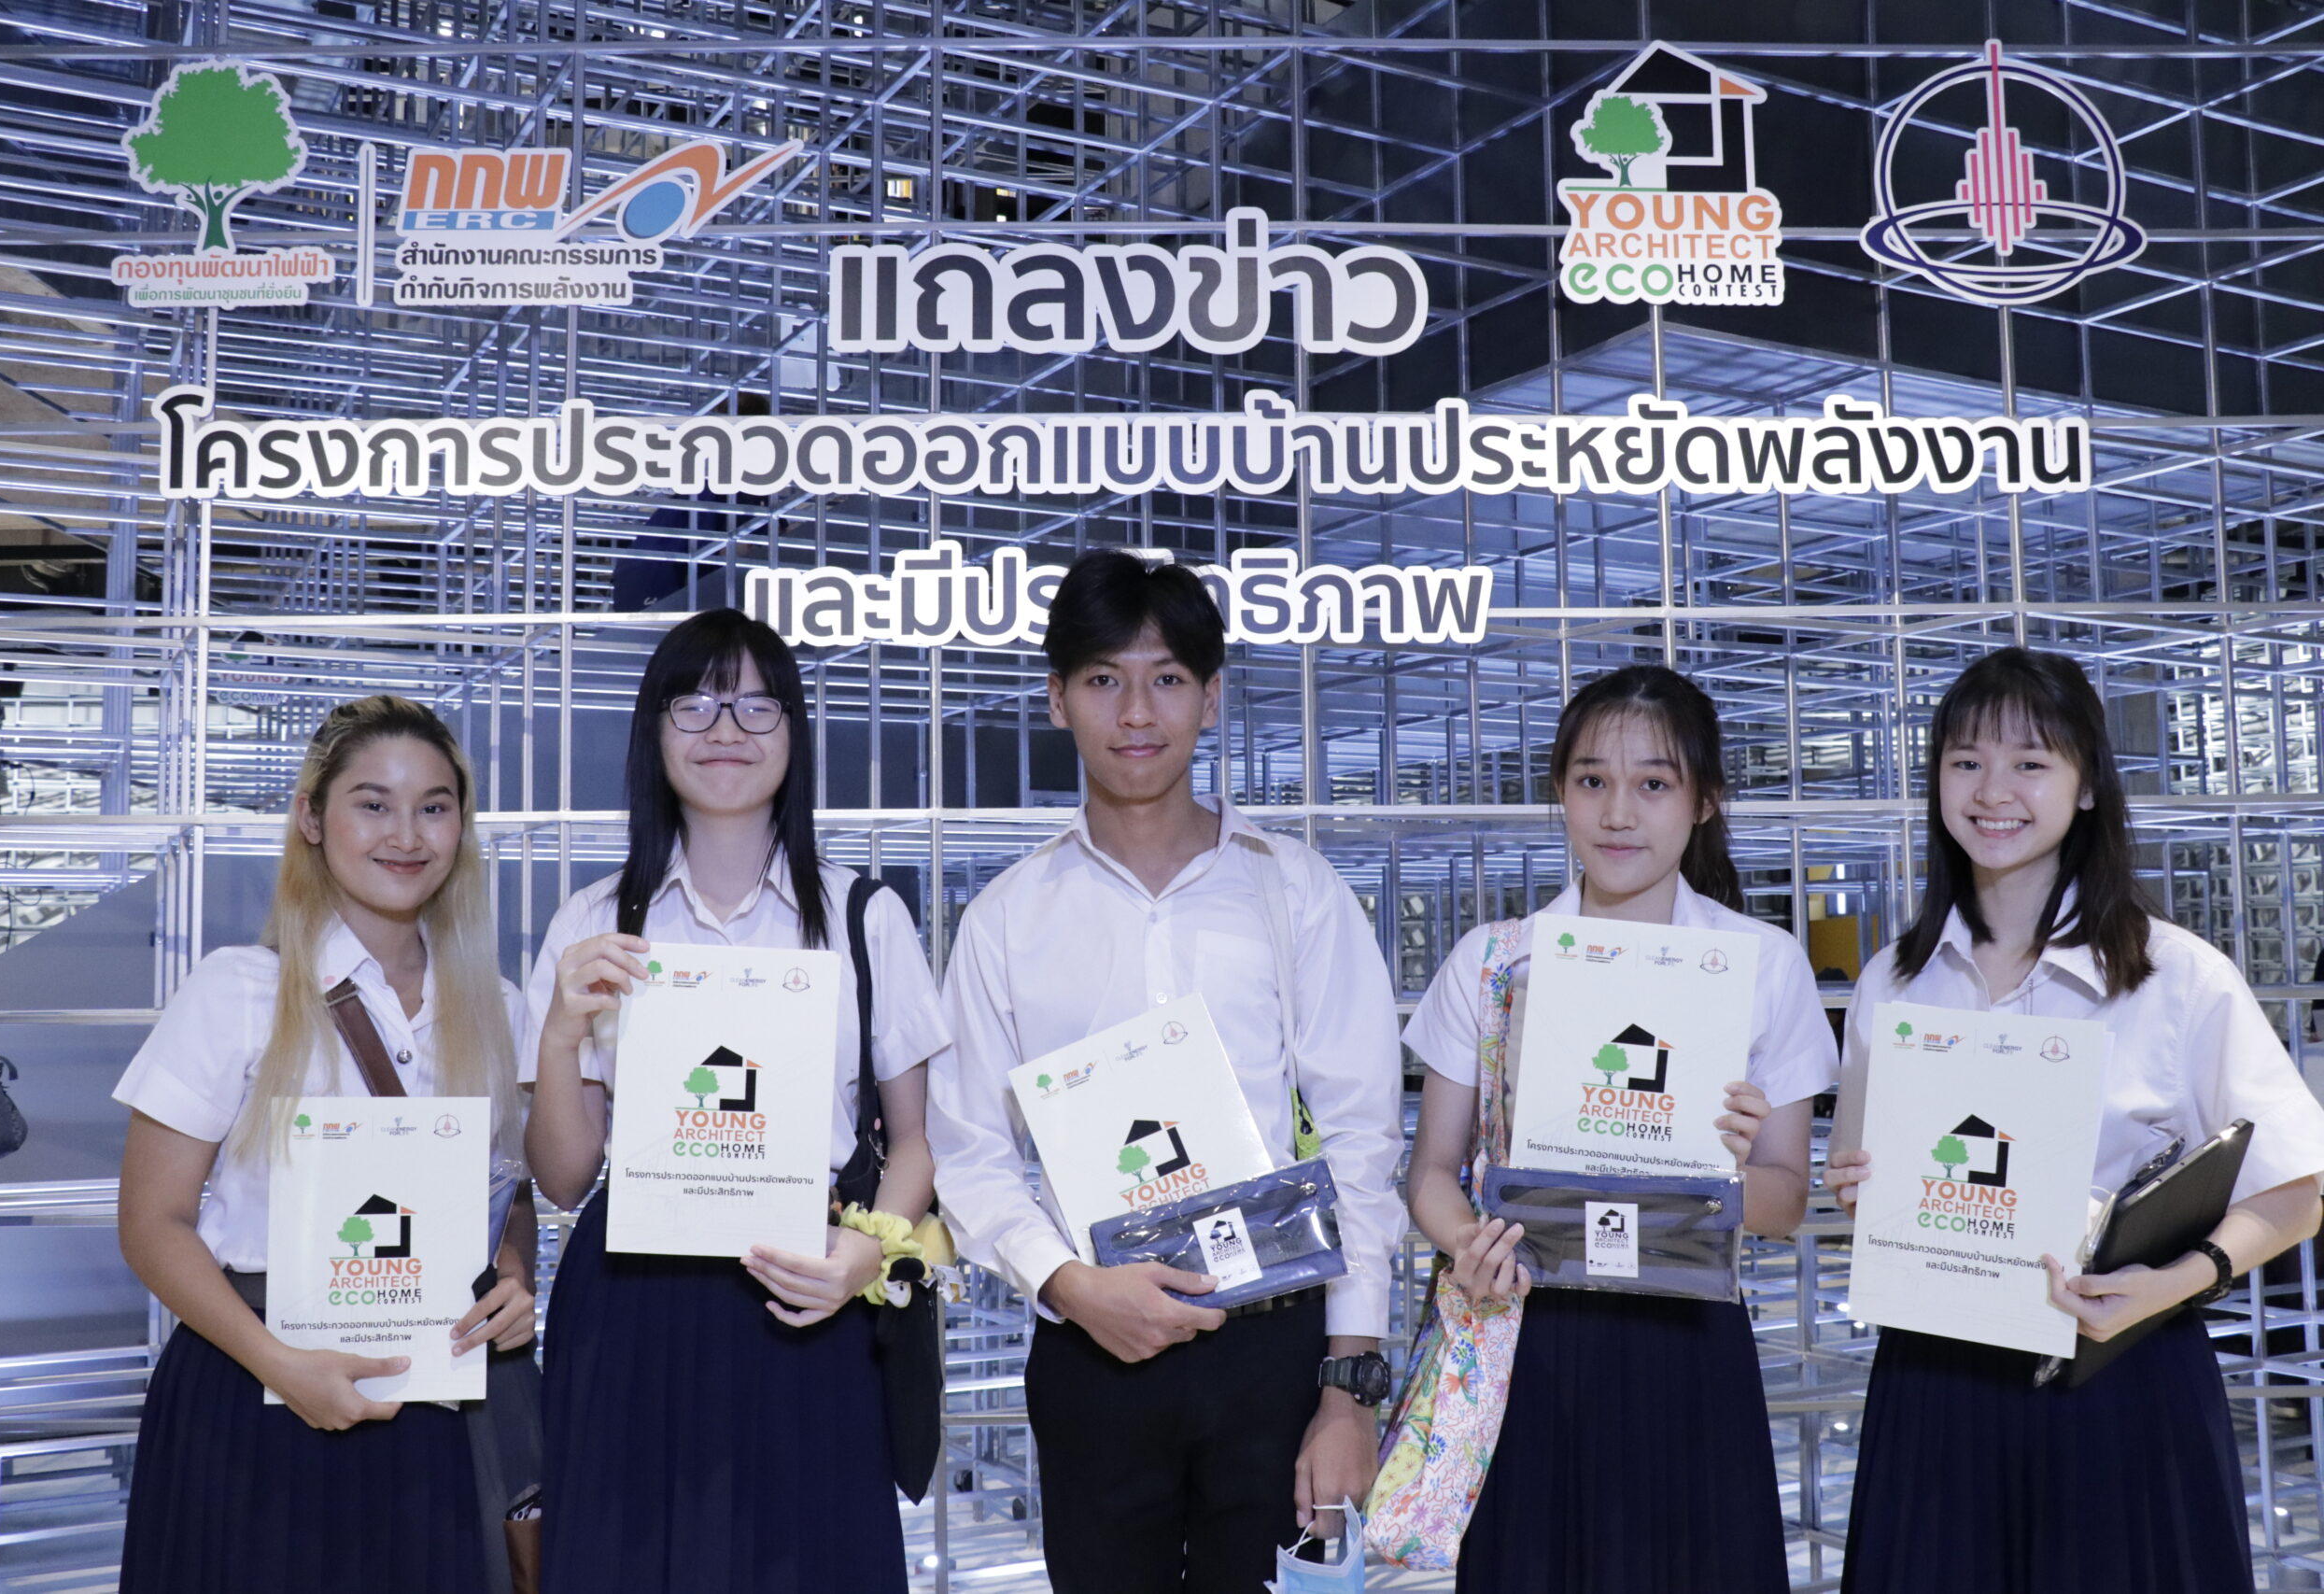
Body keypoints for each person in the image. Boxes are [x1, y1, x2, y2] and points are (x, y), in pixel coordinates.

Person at [929, 548, 1406, 1594]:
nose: (1137, 711)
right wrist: (1069, 1285)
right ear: (1057, 699)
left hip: (1274, 1351)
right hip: (1093, 1351)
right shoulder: (1007, 919)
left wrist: (1348, 1390)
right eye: (1105, 678)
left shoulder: (1297, 893)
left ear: (1211, 697)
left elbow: (1362, 1140)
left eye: (1168, 678)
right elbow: (967, 1153)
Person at [1825, 647, 2324, 1594]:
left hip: (2118, 1375)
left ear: (2086, 784)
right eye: (1965, 761)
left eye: (2029, 762)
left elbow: (2299, 1189)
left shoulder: (2175, 977)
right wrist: (1858, 1187)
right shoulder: (1895, 980)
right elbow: (1866, 1177)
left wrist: (2176, 1281)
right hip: (1936, 1384)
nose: (1992, 791)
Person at [524, 608, 949, 1594]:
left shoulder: (865, 916)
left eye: (757, 706)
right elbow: (563, 1177)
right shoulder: (593, 920)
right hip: (632, 1301)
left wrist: (868, 1255)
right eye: (698, 704)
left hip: (807, 1291)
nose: (726, 730)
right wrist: (556, 1032)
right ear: (655, 729)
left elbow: (916, 1143)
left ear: (794, 732)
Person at [1401, 663, 1833, 1593]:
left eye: (1654, 783)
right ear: (1560, 791)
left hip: (1689, 1338)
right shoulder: (1494, 963)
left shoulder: (1759, 966)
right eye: (1592, 779)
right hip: (1528, 1334)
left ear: (1704, 800)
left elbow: (1787, 1198)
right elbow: (1430, 1169)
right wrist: (1467, 1242)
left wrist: (1721, 1174)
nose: (1618, 813)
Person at [113, 696, 537, 1594]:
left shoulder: (494, 1006)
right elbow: (152, 1223)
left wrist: (512, 1279)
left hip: (435, 1406)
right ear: (312, 817)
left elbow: (506, 1193)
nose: (406, 834)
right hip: (253, 1391)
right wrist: (281, 1364)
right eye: (372, 803)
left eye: (433, 806)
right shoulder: (238, 990)